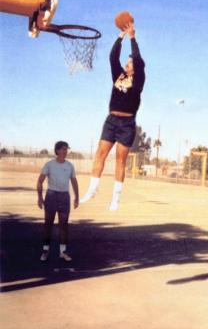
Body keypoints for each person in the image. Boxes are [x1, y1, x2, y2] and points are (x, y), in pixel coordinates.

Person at [80, 22, 145, 210]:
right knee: (99, 155)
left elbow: (139, 60)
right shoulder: (119, 75)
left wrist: (133, 37)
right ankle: (93, 189)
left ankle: (116, 198)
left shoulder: (139, 80)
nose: (127, 62)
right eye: (128, 61)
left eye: (130, 61)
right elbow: (112, 56)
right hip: (111, 120)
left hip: (127, 123)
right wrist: (121, 36)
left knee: (120, 160)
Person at [37, 140, 79, 261]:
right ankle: (45, 251)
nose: (66, 151)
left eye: (67, 149)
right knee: (48, 225)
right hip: (51, 196)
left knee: (64, 226)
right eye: (64, 149)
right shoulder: (49, 165)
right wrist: (39, 197)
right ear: (58, 150)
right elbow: (40, 181)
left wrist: (76, 197)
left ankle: (63, 252)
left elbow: (74, 181)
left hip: (64, 197)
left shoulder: (70, 166)